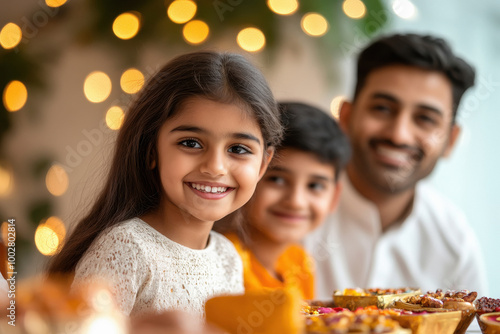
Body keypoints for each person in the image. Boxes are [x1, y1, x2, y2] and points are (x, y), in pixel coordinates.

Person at [47, 51, 284, 319]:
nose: (215, 167)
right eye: (191, 143)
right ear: (151, 151)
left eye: (238, 149)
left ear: (263, 164)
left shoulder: (228, 257)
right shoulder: (126, 249)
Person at [304, 33, 489, 298]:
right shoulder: (288, 209)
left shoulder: (455, 242)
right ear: (346, 117)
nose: (399, 135)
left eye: (425, 119)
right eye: (382, 108)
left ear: (451, 140)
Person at [218, 102, 351, 300]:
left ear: (334, 198)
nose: (296, 201)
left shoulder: (299, 263)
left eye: (315, 186)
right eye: (277, 180)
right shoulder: (222, 262)